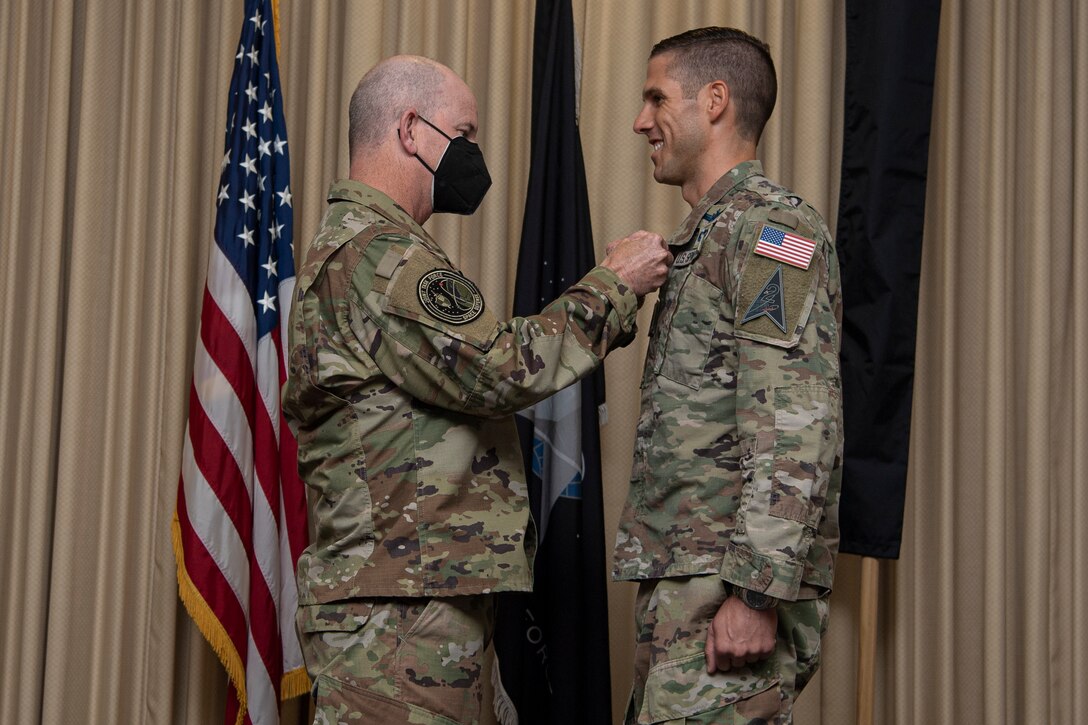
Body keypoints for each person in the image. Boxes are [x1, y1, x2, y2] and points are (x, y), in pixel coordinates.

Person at [281, 54, 671, 725]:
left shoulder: (374, 248)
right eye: (463, 135)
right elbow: (499, 368)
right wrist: (616, 282)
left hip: (412, 600)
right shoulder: (378, 253)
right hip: (397, 615)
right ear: (410, 129)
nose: (474, 156)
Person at [612, 27, 844, 724]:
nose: (640, 120)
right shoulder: (707, 234)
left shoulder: (773, 228)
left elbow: (798, 420)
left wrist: (755, 593)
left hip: (726, 589)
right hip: (684, 584)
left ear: (714, 101)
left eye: (657, 98)